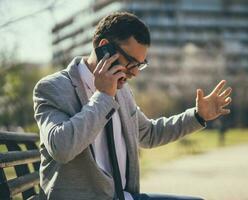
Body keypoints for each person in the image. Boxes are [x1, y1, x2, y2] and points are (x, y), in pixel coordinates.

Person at [33, 12, 232, 200]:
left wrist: (197, 116)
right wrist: (103, 96)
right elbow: (61, 148)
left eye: (140, 64)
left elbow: (149, 133)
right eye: (131, 62)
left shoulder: (122, 92)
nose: (135, 72)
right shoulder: (53, 88)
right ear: (105, 47)